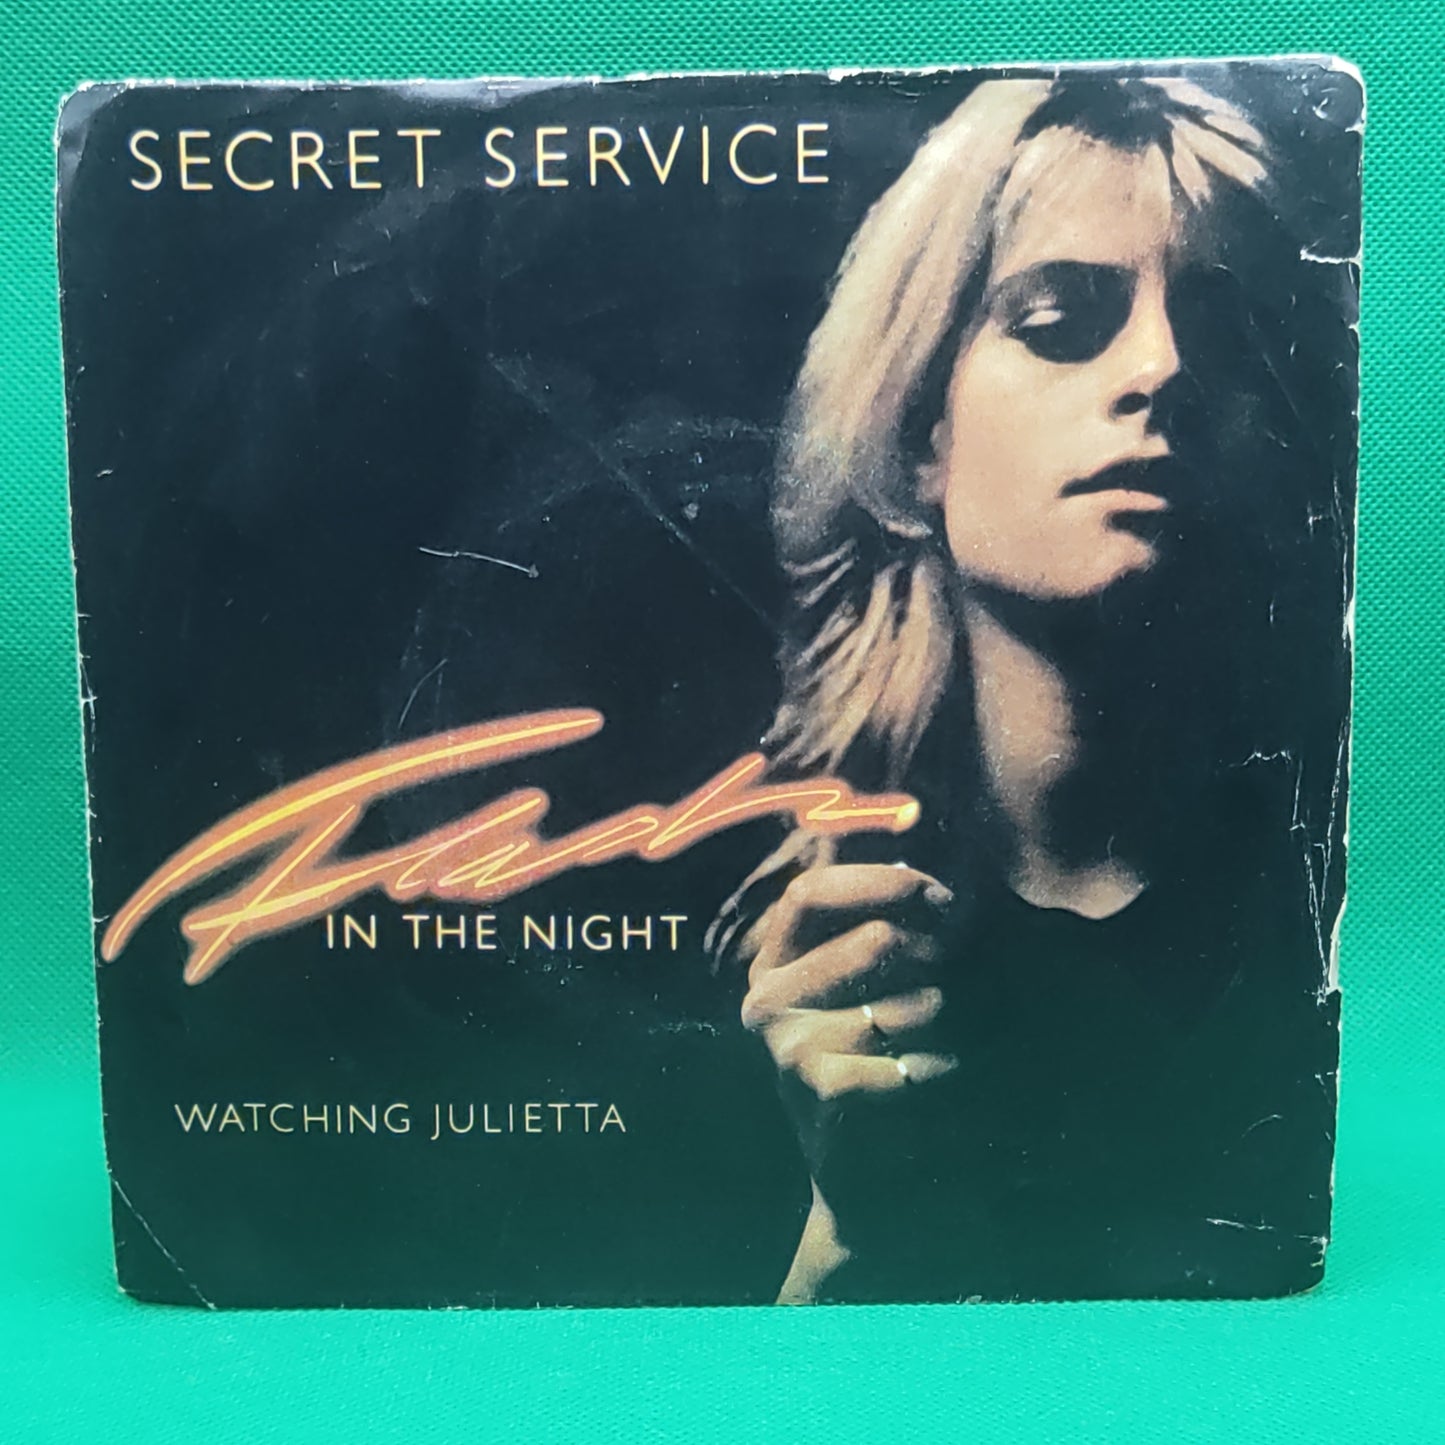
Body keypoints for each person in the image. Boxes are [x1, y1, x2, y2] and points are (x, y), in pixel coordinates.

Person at [709, 73, 1351, 1303]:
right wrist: (847, 1225)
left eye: (1221, 331)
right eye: (1061, 320)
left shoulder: (1337, 913)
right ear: (915, 436)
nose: (1161, 365)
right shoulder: (792, 956)